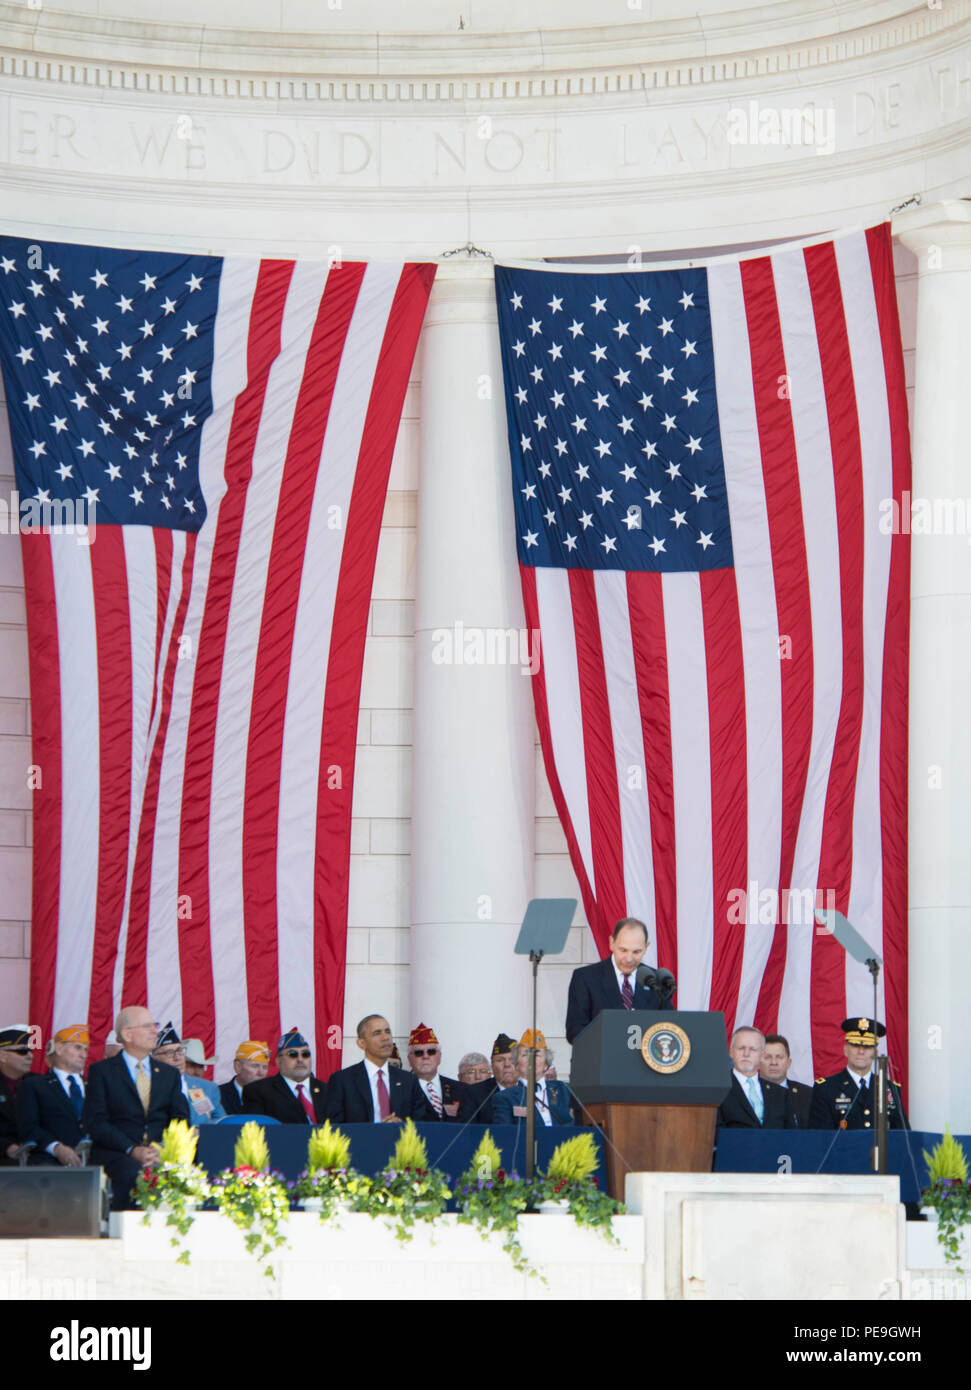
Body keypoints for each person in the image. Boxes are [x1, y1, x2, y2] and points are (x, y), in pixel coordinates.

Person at [83, 1007, 190, 1210]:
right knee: (133, 1174)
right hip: (118, 1153)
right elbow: (96, 1122)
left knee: (191, 1173)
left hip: (162, 1152)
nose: (155, 1032)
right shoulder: (102, 1072)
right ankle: (127, 1234)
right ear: (127, 1034)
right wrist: (133, 1149)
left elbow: (180, 1118)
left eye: (155, 1026)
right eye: (148, 1026)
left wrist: (163, 1148)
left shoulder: (169, 1074)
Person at [565, 917, 672, 1043]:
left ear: (646, 947)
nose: (629, 958)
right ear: (611, 943)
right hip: (601, 1059)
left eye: (636, 952)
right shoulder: (585, 978)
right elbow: (575, 1031)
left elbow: (669, 1028)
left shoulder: (657, 980)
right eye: (623, 950)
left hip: (645, 1060)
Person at [325, 1015, 438, 1124]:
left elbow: (423, 1122)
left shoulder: (408, 1080)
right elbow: (334, 1127)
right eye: (377, 1033)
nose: (385, 1038)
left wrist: (402, 1126)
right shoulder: (343, 1080)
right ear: (361, 1043)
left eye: (388, 1031)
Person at [809, 1017, 907, 1130]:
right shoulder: (826, 1089)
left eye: (867, 1046)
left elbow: (903, 1136)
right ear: (845, 1050)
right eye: (855, 1045)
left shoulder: (889, 1089)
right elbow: (820, 1139)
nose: (861, 1051)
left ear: (875, 1053)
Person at [16, 1024, 90, 1166]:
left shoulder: (95, 1085)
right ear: (59, 1048)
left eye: (86, 1049)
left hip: (94, 1161)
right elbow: (28, 1127)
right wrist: (56, 1147)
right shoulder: (34, 1085)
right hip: (49, 1162)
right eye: (77, 1047)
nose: (84, 1054)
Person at [242, 1028, 328, 1124]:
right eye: (293, 1054)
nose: (300, 1059)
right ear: (279, 1061)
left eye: (305, 1054)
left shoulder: (327, 1089)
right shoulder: (258, 1091)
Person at [716, 1026, 795, 1129]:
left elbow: (792, 1136)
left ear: (762, 1055)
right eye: (741, 1048)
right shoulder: (717, 1090)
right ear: (731, 1052)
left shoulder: (780, 1094)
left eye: (752, 1049)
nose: (746, 1054)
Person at [491, 1031, 573, 1127]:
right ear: (516, 1064)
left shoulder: (564, 1089)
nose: (531, 1060)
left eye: (537, 1055)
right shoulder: (505, 1097)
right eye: (525, 1055)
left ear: (546, 1064)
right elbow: (504, 1135)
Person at [153, 1024, 226, 1124]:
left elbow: (221, 1121)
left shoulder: (207, 1087)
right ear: (155, 1059)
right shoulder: (148, 1087)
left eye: (180, 1051)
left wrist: (199, 1130)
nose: (177, 1057)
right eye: (169, 1053)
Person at [407, 1022, 471, 1121]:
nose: (425, 1056)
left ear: (439, 1056)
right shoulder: (404, 1091)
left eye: (431, 1051)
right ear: (409, 1059)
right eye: (419, 1053)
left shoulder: (461, 1089)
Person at [759, 1033, 813, 1129]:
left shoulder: (808, 1095)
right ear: (758, 1062)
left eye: (779, 1057)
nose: (774, 1063)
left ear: (789, 1063)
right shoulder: (749, 1093)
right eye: (767, 1057)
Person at [465, 1033, 519, 1123]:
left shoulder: (530, 1091)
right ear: (492, 1066)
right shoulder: (475, 1093)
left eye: (512, 1059)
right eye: (500, 1060)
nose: (507, 1065)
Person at [0, 1024, 34, 1164]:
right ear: (2, 1056)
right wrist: (6, 1147)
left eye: (30, 1051)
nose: (30, 1056)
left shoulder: (39, 1082)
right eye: (22, 1051)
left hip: (37, 1161)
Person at [219, 1040, 269, 1116]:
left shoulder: (274, 1097)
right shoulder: (218, 1095)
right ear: (238, 1067)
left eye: (265, 1067)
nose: (261, 1073)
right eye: (255, 1066)